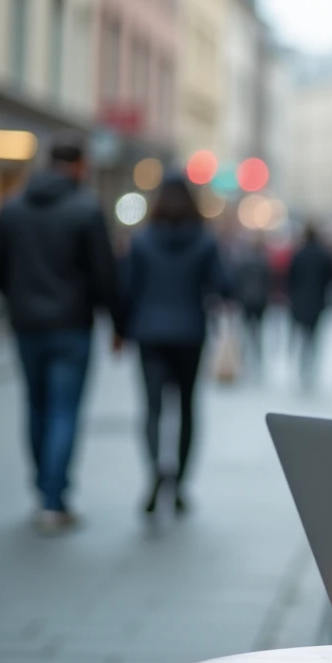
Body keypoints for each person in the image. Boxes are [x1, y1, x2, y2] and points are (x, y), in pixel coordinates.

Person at [0, 134, 124, 532]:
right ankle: (53, 498)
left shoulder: (12, 208)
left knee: (37, 405)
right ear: (78, 165)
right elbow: (104, 275)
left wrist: (19, 297)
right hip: (72, 326)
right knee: (64, 409)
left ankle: (42, 491)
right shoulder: (85, 209)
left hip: (27, 325)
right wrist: (118, 324)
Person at [117, 175, 230, 516]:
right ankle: (179, 484)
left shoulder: (142, 240)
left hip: (150, 333)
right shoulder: (204, 241)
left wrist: (120, 331)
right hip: (189, 333)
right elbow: (224, 285)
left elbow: (126, 290)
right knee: (186, 409)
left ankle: (155, 468)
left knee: (152, 409)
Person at [287, 223, 332, 389]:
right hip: (317, 301)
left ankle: (303, 365)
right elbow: (331, 276)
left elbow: (290, 278)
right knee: (313, 336)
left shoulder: (299, 254)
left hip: (300, 300)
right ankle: (311, 365)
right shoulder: (323, 255)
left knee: (302, 335)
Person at [232, 233, 272, 375]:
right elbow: (268, 283)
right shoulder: (264, 263)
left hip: (246, 300)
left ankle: (244, 360)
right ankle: (257, 359)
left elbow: (237, 281)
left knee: (245, 330)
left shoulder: (243, 262)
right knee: (258, 332)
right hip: (259, 301)